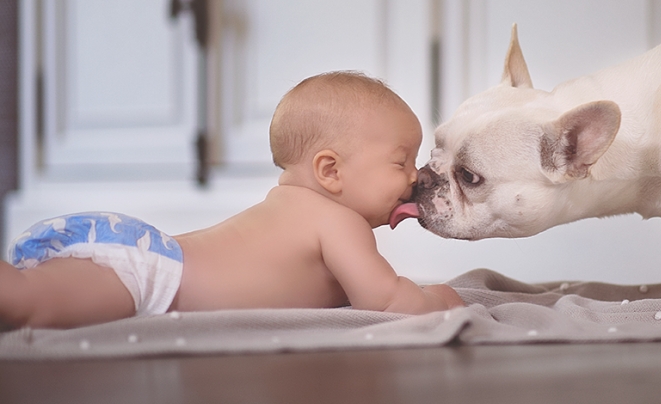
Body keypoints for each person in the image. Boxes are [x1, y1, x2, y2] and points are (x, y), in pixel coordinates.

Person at [0, 71, 463, 329]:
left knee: (27, 298)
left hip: (138, 255)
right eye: (401, 162)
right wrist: (439, 299)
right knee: (22, 303)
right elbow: (384, 303)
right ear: (331, 171)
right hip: (147, 277)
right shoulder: (339, 224)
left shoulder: (292, 208)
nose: (414, 177)